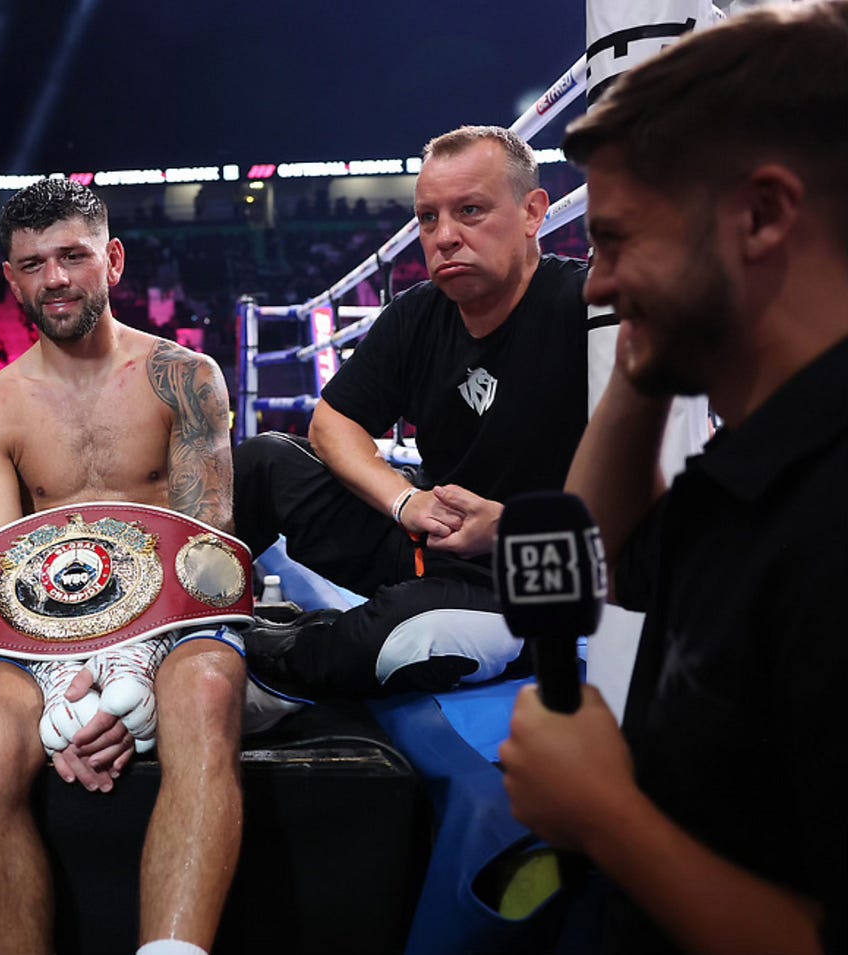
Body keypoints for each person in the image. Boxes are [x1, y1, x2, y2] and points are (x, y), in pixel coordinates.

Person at [500, 6, 848, 954]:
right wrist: (650, 361)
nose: (595, 284)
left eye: (615, 241)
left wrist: (609, 817)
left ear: (764, 215)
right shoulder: (760, 456)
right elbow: (609, 550)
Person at [0, 179, 243, 955]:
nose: (56, 279)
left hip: (178, 622)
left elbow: (204, 555)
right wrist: (65, 696)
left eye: (73, 255)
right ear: (11, 279)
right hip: (35, 638)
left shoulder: (185, 376)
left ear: (110, 259)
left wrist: (133, 670)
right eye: (33, 263)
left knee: (206, 692)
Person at [236, 125, 590, 697]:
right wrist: (405, 502)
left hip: (532, 572)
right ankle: (181, 625)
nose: (444, 236)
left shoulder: (590, 312)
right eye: (429, 218)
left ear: (533, 213)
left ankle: (263, 665)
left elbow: (658, 495)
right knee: (262, 461)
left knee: (403, 637)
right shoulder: (419, 313)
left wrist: (509, 527)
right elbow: (331, 422)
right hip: (431, 545)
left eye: (470, 210)